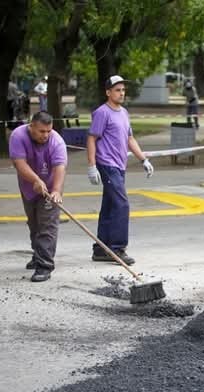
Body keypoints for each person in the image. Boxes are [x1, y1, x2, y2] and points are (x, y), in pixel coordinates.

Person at [86, 75, 154, 266]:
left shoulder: (123, 112)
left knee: (109, 206)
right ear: (108, 92)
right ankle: (117, 248)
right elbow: (92, 139)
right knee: (121, 205)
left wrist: (143, 160)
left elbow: (129, 139)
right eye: (117, 90)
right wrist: (92, 166)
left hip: (119, 165)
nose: (122, 93)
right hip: (107, 165)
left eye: (123, 90)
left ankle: (100, 249)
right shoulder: (102, 112)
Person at [9, 111, 67, 282]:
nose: (46, 135)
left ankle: (45, 266)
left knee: (47, 225)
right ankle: (38, 255)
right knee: (34, 223)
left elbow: (60, 167)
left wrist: (56, 190)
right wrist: (35, 180)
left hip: (51, 186)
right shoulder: (18, 136)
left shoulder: (57, 142)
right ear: (31, 126)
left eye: (49, 131)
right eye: (42, 131)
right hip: (28, 186)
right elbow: (19, 163)